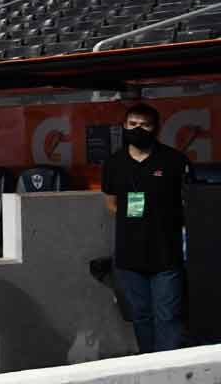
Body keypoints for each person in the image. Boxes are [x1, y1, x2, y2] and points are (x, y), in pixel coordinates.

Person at [102, 103, 189, 353]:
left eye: (144, 125)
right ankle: (149, 367)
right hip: (129, 257)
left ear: (156, 128)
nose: (137, 129)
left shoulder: (174, 160)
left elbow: (189, 203)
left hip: (166, 254)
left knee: (169, 317)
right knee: (141, 317)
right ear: (124, 126)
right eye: (132, 124)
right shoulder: (113, 163)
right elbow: (111, 203)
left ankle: (170, 371)